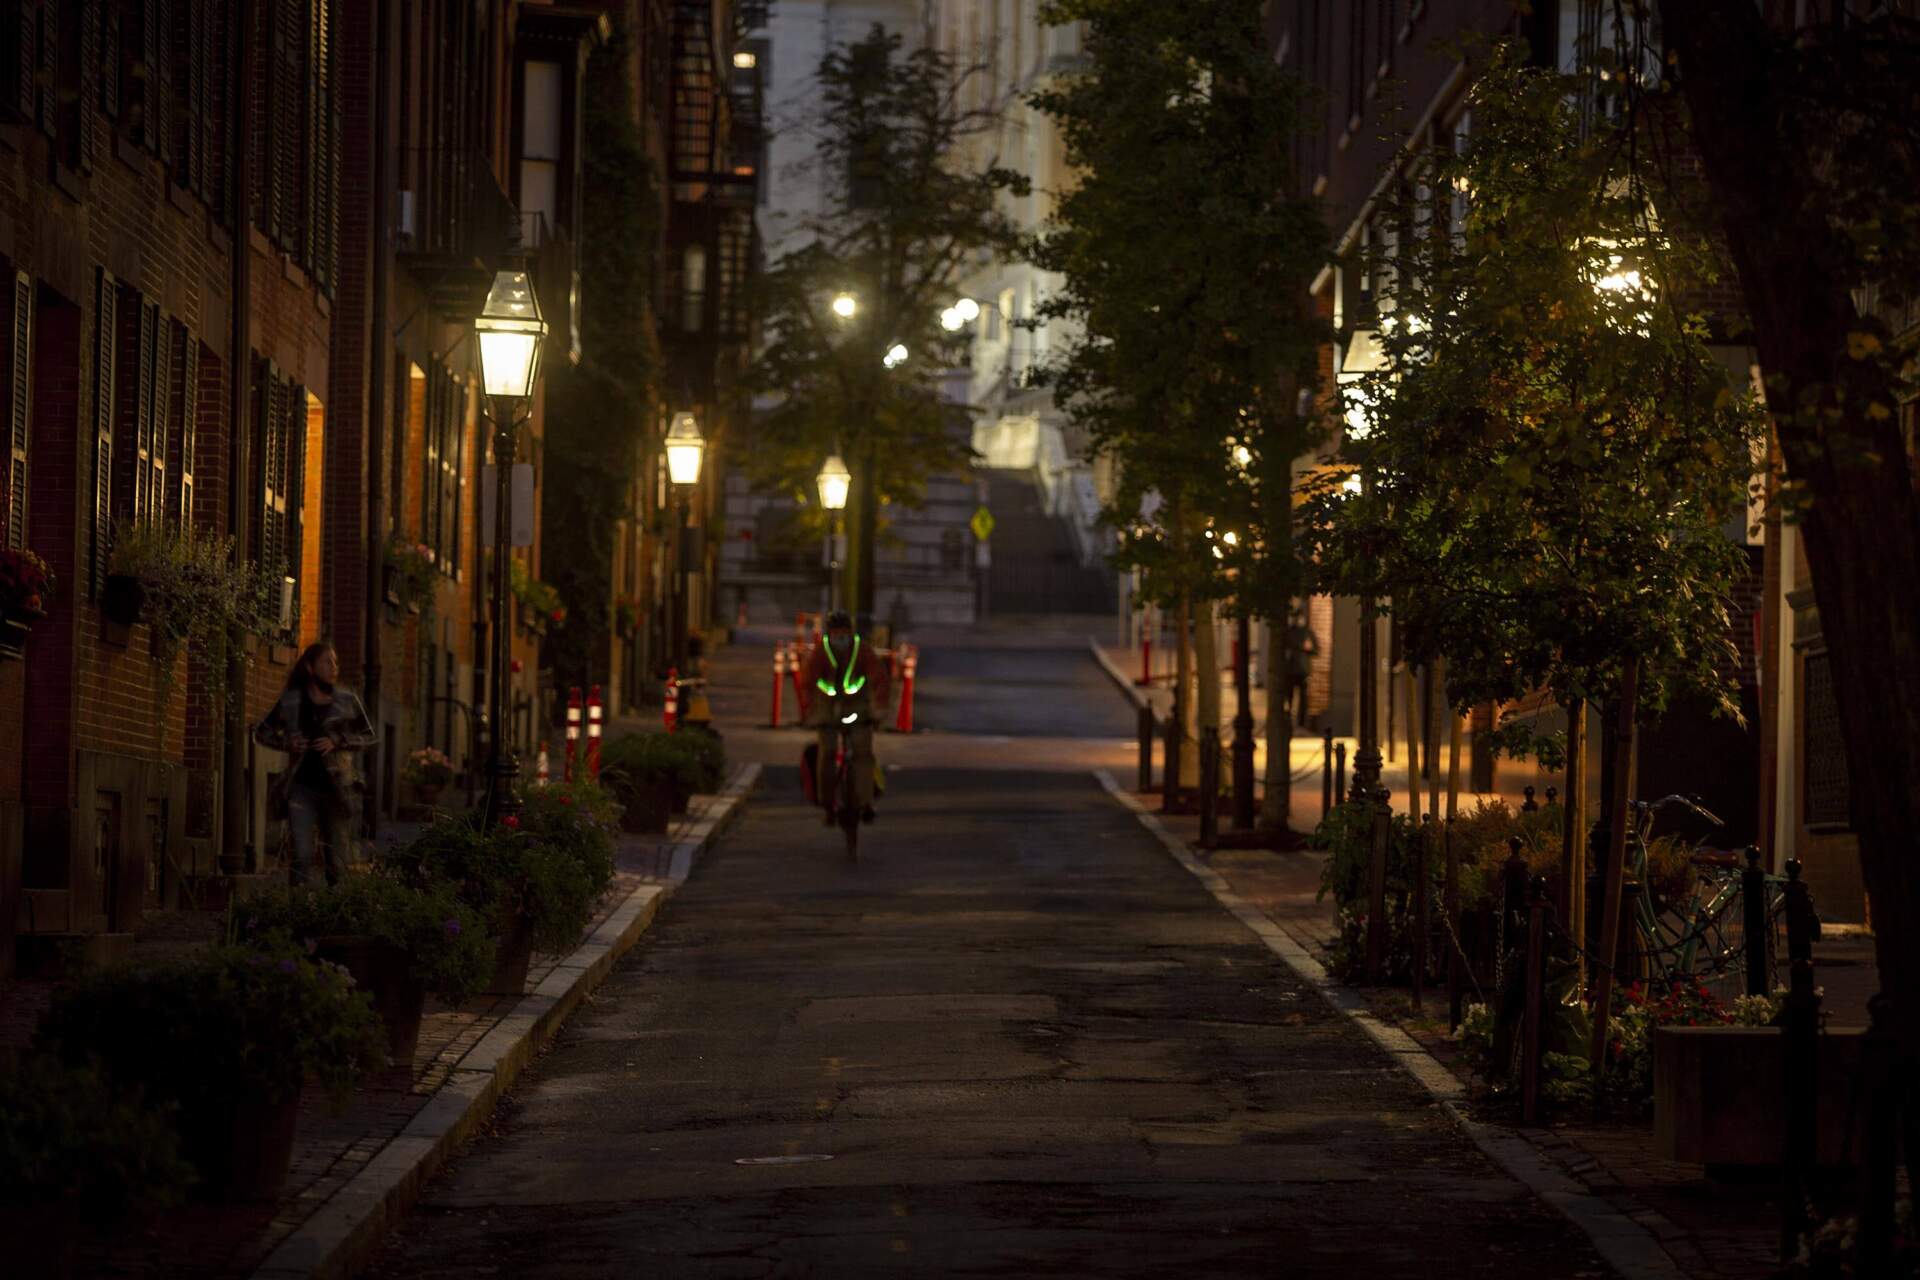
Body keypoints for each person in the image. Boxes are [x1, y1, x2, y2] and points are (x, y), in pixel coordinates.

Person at [254, 642, 376, 886]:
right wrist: (287, 742)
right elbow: (262, 732)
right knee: (302, 853)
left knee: (336, 860)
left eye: (336, 662)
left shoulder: (346, 700)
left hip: (338, 787)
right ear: (310, 667)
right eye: (327, 662)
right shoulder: (292, 701)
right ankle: (298, 909)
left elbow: (369, 735)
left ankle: (333, 913)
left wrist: (339, 740)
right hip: (301, 787)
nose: (334, 668)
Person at [800, 609, 891, 826]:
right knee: (827, 753)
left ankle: (866, 804)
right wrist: (809, 712)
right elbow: (807, 684)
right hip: (827, 710)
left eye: (844, 632)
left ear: (851, 632)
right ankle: (828, 805)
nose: (840, 637)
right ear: (829, 633)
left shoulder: (863, 651)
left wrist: (879, 709)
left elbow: (880, 679)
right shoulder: (821, 652)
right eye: (836, 632)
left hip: (856, 708)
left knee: (862, 754)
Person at [1284, 605, 1320, 728]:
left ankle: (1301, 722)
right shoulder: (1288, 632)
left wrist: (1304, 650)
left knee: (1303, 698)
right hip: (1290, 669)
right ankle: (1289, 720)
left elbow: (1315, 649)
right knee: (1289, 696)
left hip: (1303, 670)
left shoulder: (1307, 633)